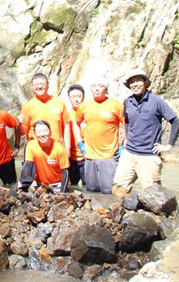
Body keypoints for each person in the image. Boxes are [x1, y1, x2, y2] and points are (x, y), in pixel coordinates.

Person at [112, 69, 179, 199]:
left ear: (145, 82)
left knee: (154, 196)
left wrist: (169, 145)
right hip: (129, 154)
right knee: (118, 189)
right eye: (131, 82)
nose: (135, 84)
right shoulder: (128, 101)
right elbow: (127, 121)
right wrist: (126, 138)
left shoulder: (156, 101)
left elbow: (175, 121)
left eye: (137, 80)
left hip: (149, 156)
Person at [76, 75, 124, 194]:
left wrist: (126, 145)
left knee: (108, 191)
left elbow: (129, 125)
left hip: (108, 156)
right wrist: (80, 143)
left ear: (106, 89)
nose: (97, 89)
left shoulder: (115, 105)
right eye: (94, 86)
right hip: (89, 156)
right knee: (91, 190)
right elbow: (75, 123)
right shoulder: (84, 106)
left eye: (100, 86)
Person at [19, 73, 70, 151]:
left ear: (48, 85)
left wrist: (68, 148)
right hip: (36, 151)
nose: (39, 87)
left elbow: (66, 126)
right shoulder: (28, 106)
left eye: (42, 84)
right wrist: (17, 123)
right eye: (36, 84)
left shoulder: (59, 103)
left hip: (56, 150)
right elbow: (22, 131)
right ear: (32, 87)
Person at [19, 120, 70, 193]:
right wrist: (25, 184)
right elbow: (27, 166)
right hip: (41, 183)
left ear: (50, 132)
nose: (42, 134)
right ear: (35, 134)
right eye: (38, 132)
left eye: (45, 131)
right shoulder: (31, 145)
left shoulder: (59, 149)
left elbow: (65, 172)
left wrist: (63, 192)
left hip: (57, 184)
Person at [67, 83, 86, 186]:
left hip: (86, 157)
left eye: (79, 96)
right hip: (71, 158)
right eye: (73, 97)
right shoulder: (66, 116)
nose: (76, 99)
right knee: (71, 187)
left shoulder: (88, 113)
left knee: (88, 187)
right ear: (69, 99)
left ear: (83, 97)